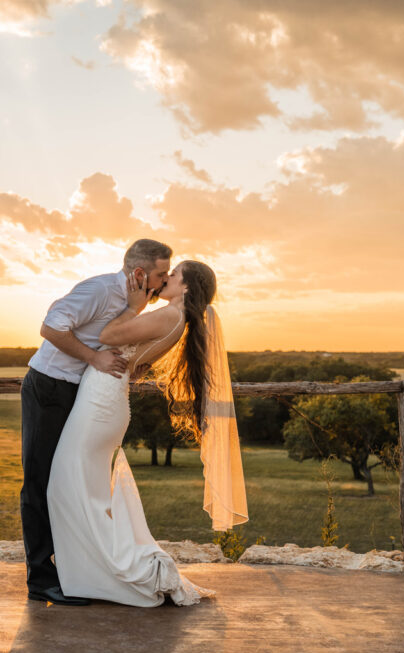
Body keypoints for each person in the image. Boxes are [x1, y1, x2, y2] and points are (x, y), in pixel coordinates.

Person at [47, 260, 249, 607]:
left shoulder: (171, 315)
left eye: (175, 274)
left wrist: (133, 307)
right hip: (105, 398)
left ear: (186, 287)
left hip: (101, 401)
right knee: (79, 489)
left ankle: (110, 573)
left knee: (66, 486)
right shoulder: (177, 318)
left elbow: (107, 337)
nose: (167, 278)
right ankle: (91, 574)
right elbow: (137, 363)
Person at [21, 239, 172, 606]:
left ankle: (77, 570)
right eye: (160, 275)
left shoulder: (133, 304)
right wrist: (94, 358)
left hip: (78, 393)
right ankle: (41, 579)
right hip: (49, 388)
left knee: (71, 481)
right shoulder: (99, 290)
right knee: (40, 480)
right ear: (139, 273)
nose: (164, 284)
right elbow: (50, 328)